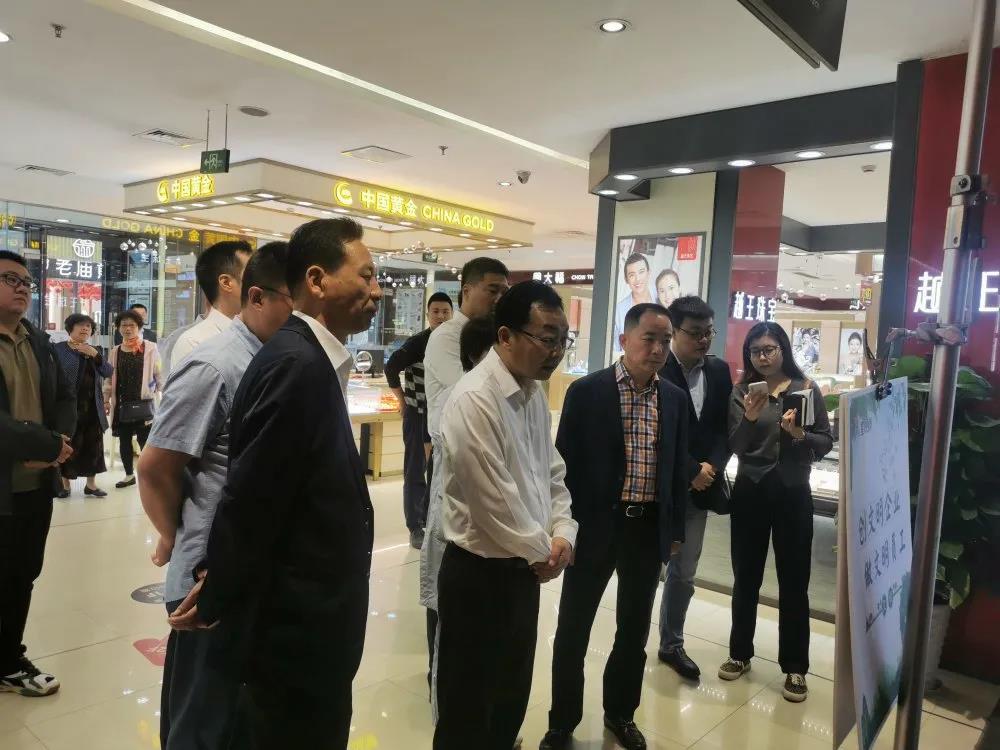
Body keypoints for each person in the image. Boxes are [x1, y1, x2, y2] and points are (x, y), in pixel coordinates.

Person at [167, 218, 381, 748]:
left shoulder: (308, 357)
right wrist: (218, 592)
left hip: (312, 621)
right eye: (367, 275)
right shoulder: (295, 363)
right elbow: (253, 497)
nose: (377, 291)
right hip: (295, 630)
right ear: (317, 280)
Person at [137, 242, 292, 750]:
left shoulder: (270, 358)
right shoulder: (215, 363)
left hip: (242, 568)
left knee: (235, 718)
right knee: (202, 722)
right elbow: (156, 467)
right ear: (256, 296)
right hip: (207, 577)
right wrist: (173, 535)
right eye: (293, 300)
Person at [433, 281, 577, 750]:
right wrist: (546, 552)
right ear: (505, 336)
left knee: (509, 699)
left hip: (523, 572)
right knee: (467, 712)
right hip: (478, 577)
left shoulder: (532, 393)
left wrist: (564, 532)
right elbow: (494, 503)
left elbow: (551, 473)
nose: (555, 351)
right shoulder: (474, 398)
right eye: (547, 338)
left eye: (562, 339)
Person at [542, 303, 689, 750]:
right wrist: (562, 527)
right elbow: (562, 466)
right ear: (624, 340)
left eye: (665, 341)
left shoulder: (674, 399)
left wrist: (674, 531)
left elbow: (676, 470)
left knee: (633, 631)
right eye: (650, 338)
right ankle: (562, 722)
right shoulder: (587, 391)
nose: (659, 349)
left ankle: (621, 714)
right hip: (594, 527)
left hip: (646, 529)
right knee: (573, 628)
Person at [720, 321, 833, 703]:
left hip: (792, 492)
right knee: (745, 576)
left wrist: (800, 434)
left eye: (769, 349)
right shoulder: (742, 392)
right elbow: (735, 445)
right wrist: (750, 418)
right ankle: (739, 653)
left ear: (783, 349)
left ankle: (795, 667)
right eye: (755, 351)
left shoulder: (805, 389)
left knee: (794, 581)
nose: (762, 357)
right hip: (750, 490)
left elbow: (824, 442)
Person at [420, 256, 509, 709]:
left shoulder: (493, 338)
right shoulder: (447, 336)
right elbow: (476, 398)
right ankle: (441, 685)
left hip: (489, 472)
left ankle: (471, 690)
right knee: (447, 587)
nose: (498, 298)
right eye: (492, 289)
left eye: (504, 291)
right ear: (467, 290)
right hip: (454, 468)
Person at [0, 250, 76, 697]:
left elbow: (65, 397)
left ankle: (8, 659)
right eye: (10, 279)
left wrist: (57, 444)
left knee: (22, 574)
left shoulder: (39, 342)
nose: (22, 288)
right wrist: (42, 445)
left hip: (34, 487)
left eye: (26, 281)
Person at [656, 297, 732, 680]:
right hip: (657, 488)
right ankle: (630, 639)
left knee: (684, 572)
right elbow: (655, 432)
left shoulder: (718, 370)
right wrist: (690, 470)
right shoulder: (657, 368)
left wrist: (710, 468)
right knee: (645, 568)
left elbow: (724, 429)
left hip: (700, 488)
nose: (704, 340)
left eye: (709, 333)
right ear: (675, 332)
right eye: (696, 333)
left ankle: (672, 643)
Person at [384, 291, 454, 549]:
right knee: (415, 470)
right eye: (436, 311)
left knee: (439, 470)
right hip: (418, 413)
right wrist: (402, 401)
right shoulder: (418, 343)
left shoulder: (455, 342)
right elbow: (391, 368)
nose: (441, 316)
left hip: (443, 415)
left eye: (445, 312)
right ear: (428, 314)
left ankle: (431, 520)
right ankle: (415, 525)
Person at [53, 314, 113, 499]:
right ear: (70, 328)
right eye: (80, 325)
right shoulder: (59, 349)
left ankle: (91, 485)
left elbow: (108, 371)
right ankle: (65, 485)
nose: (85, 328)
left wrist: (95, 355)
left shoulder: (95, 350)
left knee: (93, 446)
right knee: (69, 444)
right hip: (69, 407)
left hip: (93, 407)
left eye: (88, 326)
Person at [170, 241, 252, 369]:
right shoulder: (194, 342)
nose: (259, 282)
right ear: (226, 283)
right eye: (251, 275)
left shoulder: (258, 334)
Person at [105, 310, 163, 489]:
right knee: (124, 440)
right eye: (124, 325)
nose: (128, 329)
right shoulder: (115, 352)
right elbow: (109, 379)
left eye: (132, 325)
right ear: (118, 328)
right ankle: (129, 475)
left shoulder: (150, 347)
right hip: (122, 404)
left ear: (139, 327)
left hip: (143, 402)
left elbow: (159, 373)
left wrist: (163, 393)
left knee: (145, 442)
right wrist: (106, 399)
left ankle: (150, 476)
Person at [613, 254, 654, 343]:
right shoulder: (619, 311)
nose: (637, 279)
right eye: (632, 275)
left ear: (649, 273)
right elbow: (616, 347)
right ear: (626, 279)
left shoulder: (661, 297)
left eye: (641, 272)